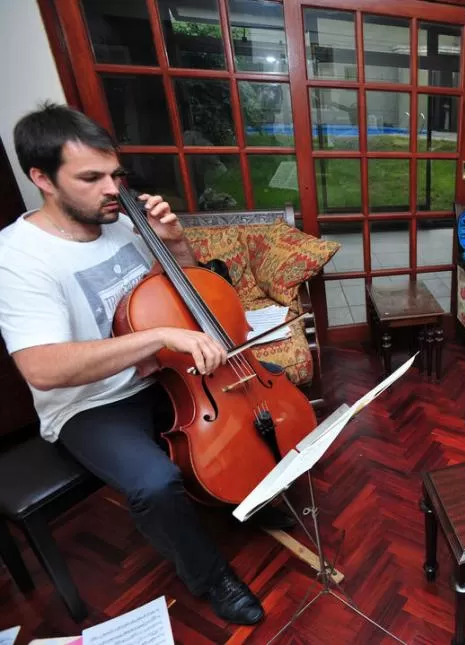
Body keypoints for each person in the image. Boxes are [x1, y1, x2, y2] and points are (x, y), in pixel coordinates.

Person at [0, 103, 276, 625]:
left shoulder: (124, 223)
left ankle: (249, 488)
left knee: (268, 395)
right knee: (153, 483)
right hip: (93, 403)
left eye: (115, 174)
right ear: (42, 178)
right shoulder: (19, 258)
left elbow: (187, 293)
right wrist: (159, 337)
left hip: (165, 374)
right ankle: (210, 576)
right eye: (91, 177)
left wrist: (174, 243)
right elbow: (42, 368)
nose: (113, 189)